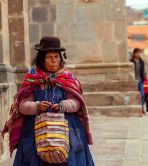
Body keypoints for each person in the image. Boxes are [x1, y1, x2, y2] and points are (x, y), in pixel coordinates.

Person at [1, 36, 95, 166]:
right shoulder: (33, 78)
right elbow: (22, 106)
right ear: (42, 59)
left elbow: (77, 102)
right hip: (36, 131)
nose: (53, 61)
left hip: (66, 129)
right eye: (49, 57)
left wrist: (63, 105)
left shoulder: (68, 78)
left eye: (56, 57)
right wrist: (37, 106)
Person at [130, 48, 145, 114]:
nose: (138, 54)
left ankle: (141, 109)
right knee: (134, 95)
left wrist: (143, 79)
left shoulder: (141, 62)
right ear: (134, 53)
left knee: (142, 95)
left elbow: (143, 72)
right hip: (133, 81)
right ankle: (134, 109)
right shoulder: (131, 62)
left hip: (140, 80)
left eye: (139, 53)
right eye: (137, 53)